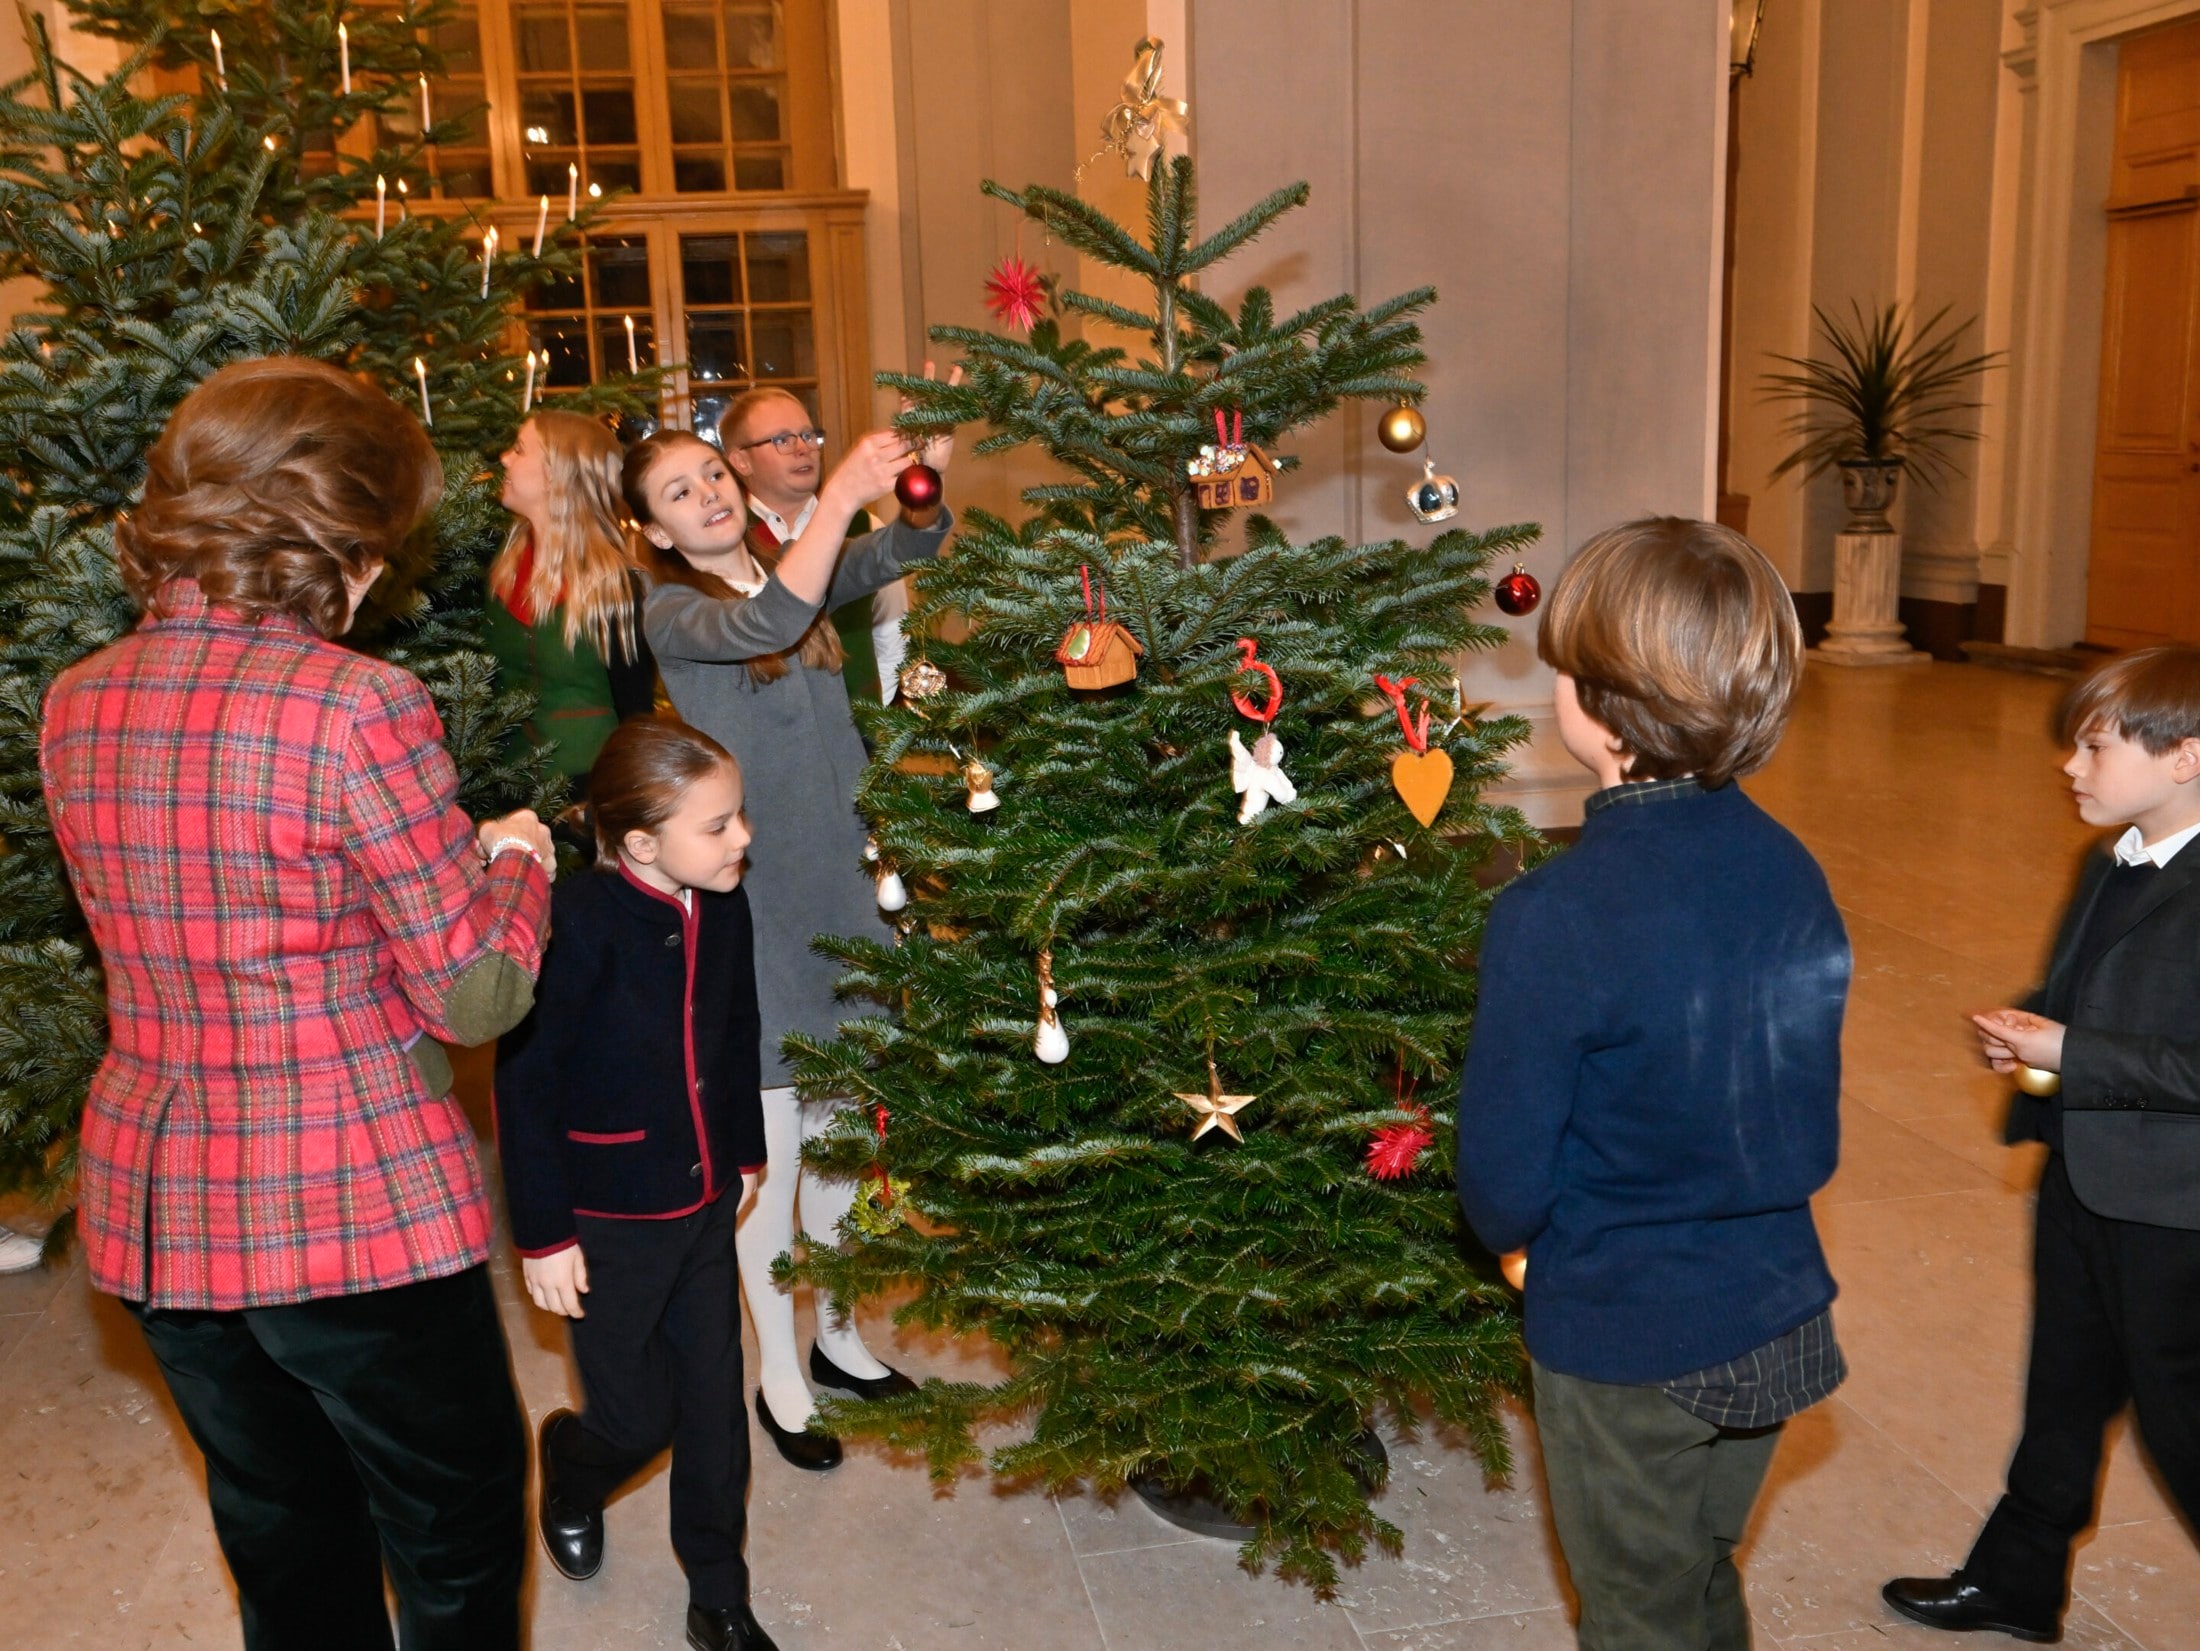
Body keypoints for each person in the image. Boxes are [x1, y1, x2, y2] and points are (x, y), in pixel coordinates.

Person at [38, 356, 554, 1651]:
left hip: (162, 1196)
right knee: (457, 1526)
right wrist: (520, 865)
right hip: (347, 1197)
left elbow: (219, 912)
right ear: (336, 542)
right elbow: (475, 990)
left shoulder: (76, 699)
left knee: (283, 1529)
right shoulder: (355, 705)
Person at [1454, 517, 1850, 1651]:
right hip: (1778, 1306)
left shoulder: (1553, 914)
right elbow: (1793, 1095)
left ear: (1595, 700)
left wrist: (1515, 1239)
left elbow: (1502, 1173)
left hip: (1631, 1331)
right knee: (1695, 1571)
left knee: (1634, 1612)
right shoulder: (1791, 867)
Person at [625, 406, 952, 1468]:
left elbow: (901, 549)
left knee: (851, 1132)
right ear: (659, 533)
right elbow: (764, 622)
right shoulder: (671, 608)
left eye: (713, 474)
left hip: (847, 890)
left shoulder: (790, 570)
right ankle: (777, 1369)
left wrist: (918, 484)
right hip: (756, 907)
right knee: (775, 1149)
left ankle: (843, 1336)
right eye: (680, 491)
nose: (710, 493)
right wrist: (846, 488)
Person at [1883, 645, 2200, 1645]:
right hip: (2085, 1170)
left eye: (2094, 746)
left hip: (2174, 1209)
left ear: (2184, 756)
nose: (2071, 766)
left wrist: (2079, 1050)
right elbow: (2083, 993)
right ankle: (2017, 1580)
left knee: (2181, 1422)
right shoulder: (2111, 855)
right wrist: (2032, 1031)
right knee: (2061, 1392)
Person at [496, 716, 776, 1651]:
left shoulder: (722, 899)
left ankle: (719, 1593)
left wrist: (743, 1149)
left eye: (739, 817)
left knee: (713, 1407)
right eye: (719, 825)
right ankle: (574, 1464)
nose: (742, 839)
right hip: (605, 1216)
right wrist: (543, 1233)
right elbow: (525, 1081)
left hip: (701, 1204)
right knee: (636, 1416)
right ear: (643, 842)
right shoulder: (574, 923)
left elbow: (737, 1027)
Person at [486, 408, 656, 784]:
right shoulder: (502, 567)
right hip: (503, 787)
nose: (504, 458)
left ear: (556, 475)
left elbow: (636, 713)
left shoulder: (615, 586)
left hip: (590, 790)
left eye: (519, 449)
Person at [719, 385, 911, 706]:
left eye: (808, 436)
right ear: (741, 461)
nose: (803, 449)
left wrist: (873, 714)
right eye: (782, 439)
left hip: (859, 728)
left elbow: (893, 633)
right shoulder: (725, 539)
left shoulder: (863, 528)